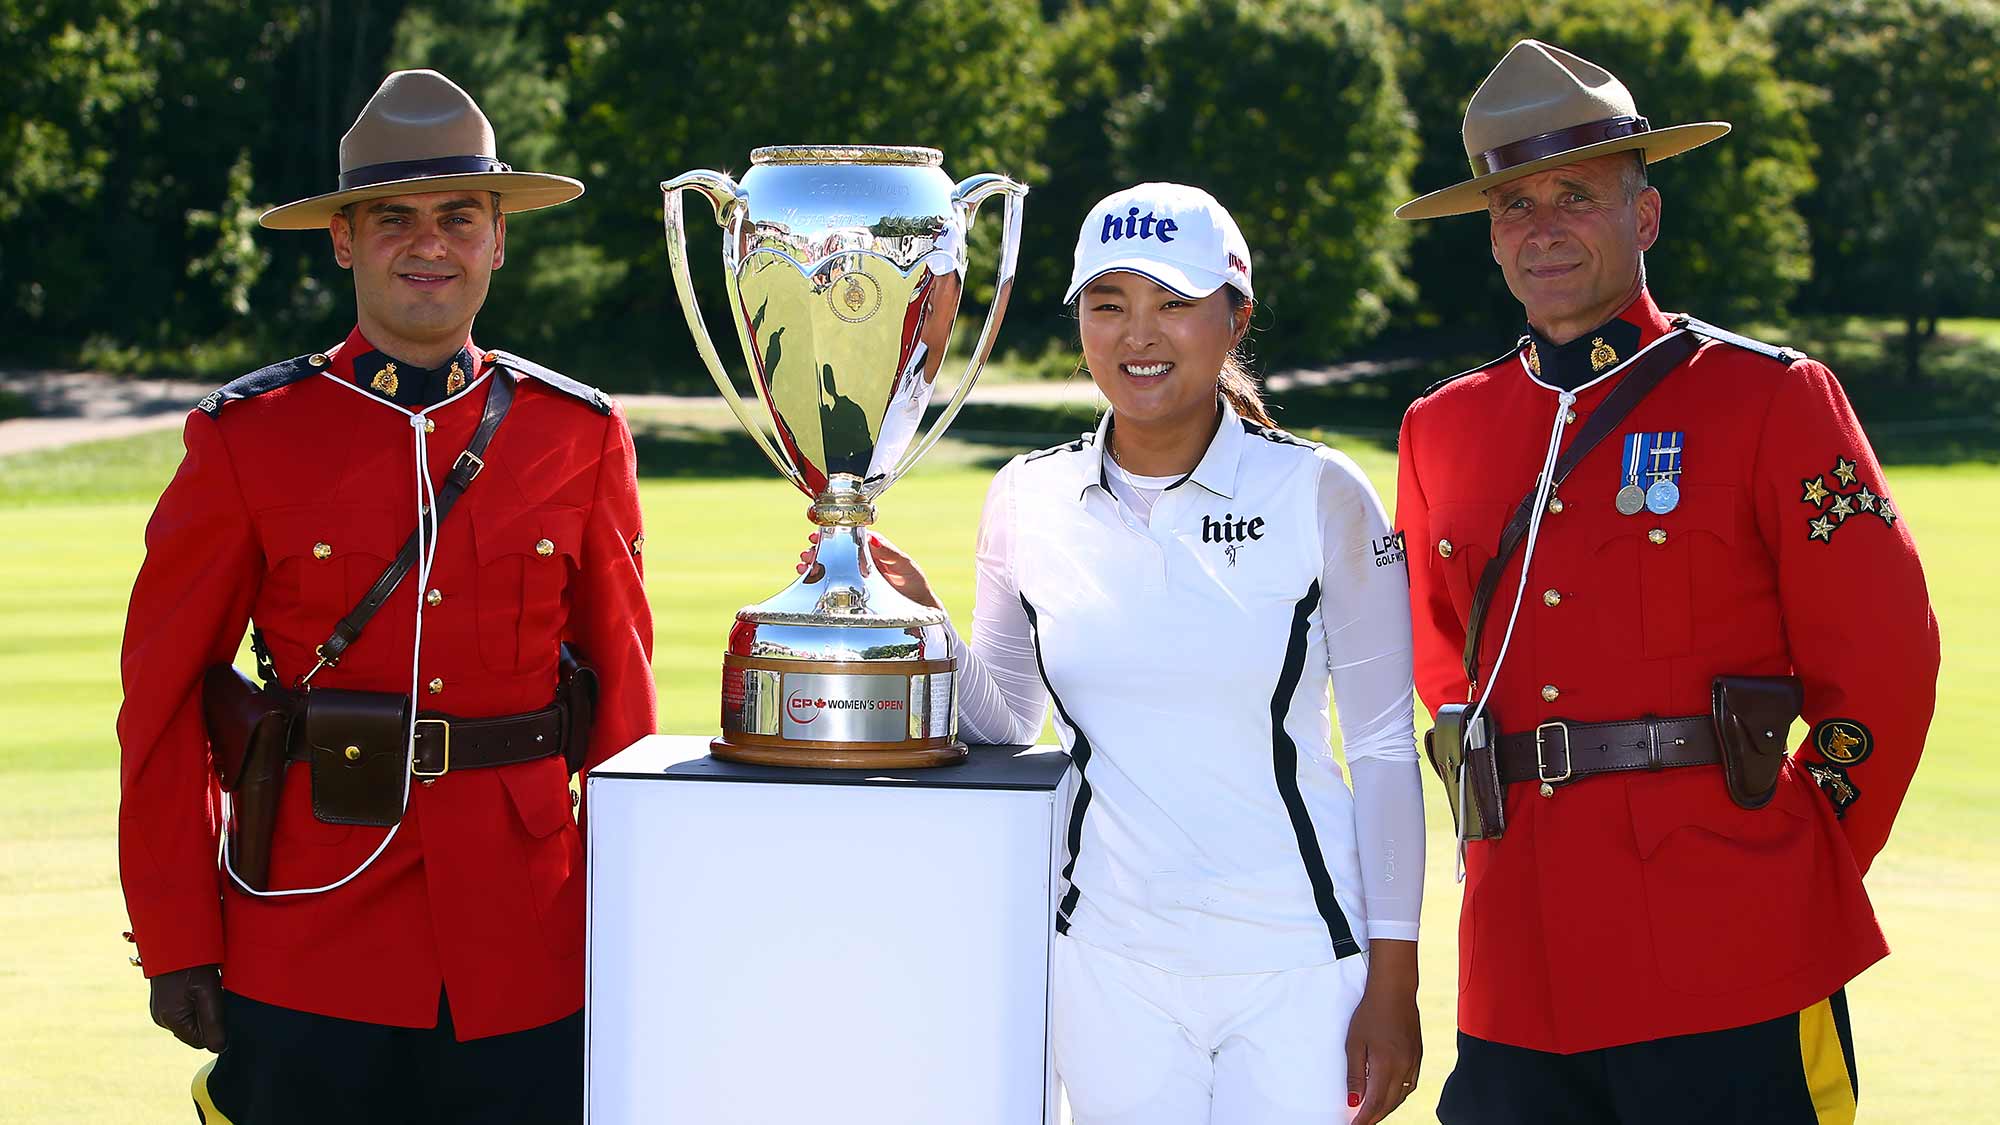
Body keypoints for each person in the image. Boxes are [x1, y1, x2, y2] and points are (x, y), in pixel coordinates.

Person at [1392, 40, 1939, 1123]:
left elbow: (1882, 661)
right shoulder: (1441, 428)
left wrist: (1801, 857)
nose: (1539, 227)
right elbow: (1442, 659)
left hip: (1728, 944)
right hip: (1516, 965)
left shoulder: (1765, 399)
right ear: (1487, 232)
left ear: (1641, 217)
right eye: (1511, 204)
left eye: (1573, 196)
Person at [116, 69, 655, 1123]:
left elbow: (623, 716)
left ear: (498, 239)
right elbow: (163, 699)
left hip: (529, 937)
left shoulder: (577, 435)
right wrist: (177, 932)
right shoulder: (247, 438)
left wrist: (637, 922)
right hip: (311, 924)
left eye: (460, 216)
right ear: (342, 241)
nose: (430, 244)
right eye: (392, 218)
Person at [838, 183, 1426, 1124]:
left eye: (1175, 303)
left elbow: (1388, 749)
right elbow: (1001, 722)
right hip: (1108, 961)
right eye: (1108, 304)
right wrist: (925, 621)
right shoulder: (1029, 497)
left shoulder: (1319, 491)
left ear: (1235, 319)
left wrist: (1393, 981)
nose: (1138, 334)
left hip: (1300, 960)